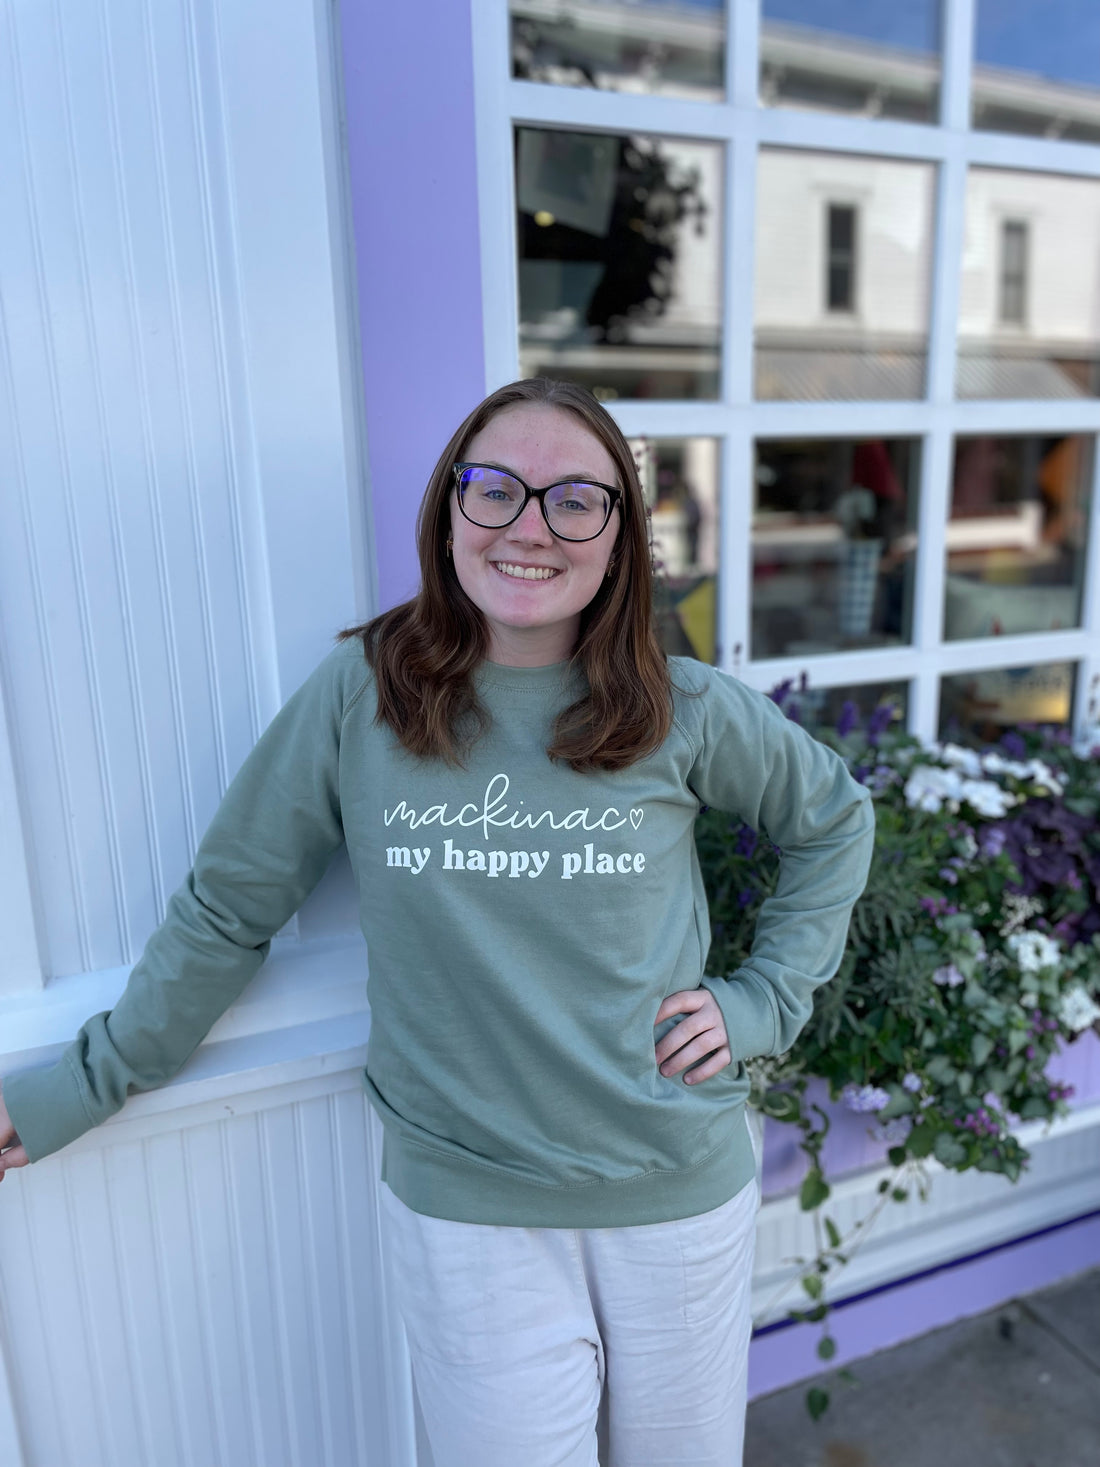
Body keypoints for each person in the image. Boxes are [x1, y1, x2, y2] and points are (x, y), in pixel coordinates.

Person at [0, 377, 875, 1465]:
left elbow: (834, 819)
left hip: (671, 1189)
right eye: (494, 488)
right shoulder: (361, 697)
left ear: (617, 539)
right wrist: (81, 1084)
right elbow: (230, 904)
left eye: (574, 500)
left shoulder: (682, 708)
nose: (527, 526)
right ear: (446, 509)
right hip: (469, 1206)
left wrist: (763, 1000)